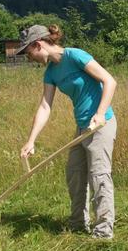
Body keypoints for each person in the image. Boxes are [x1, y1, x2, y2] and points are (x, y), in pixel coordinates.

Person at [17, 24, 118, 239]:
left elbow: (110, 81)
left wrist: (100, 114)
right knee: (74, 173)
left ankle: (103, 231)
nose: (29, 58)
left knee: (98, 175)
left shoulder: (75, 56)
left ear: (38, 44)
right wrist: (31, 140)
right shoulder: (51, 73)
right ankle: (78, 223)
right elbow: (45, 106)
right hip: (83, 126)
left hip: (101, 124)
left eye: (28, 53)